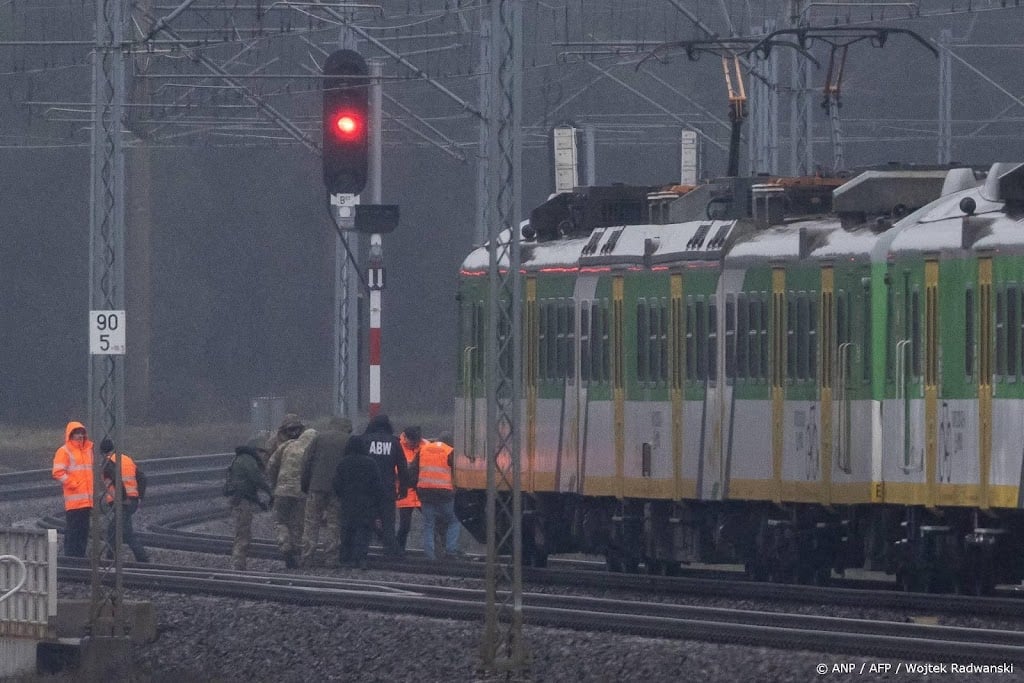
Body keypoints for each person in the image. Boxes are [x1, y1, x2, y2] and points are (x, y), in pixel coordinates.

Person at [300, 416, 352, 567]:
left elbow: (306, 462)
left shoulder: (318, 438)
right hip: (337, 490)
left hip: (316, 487)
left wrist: (305, 485)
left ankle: (307, 557)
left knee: (311, 523)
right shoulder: (348, 440)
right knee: (334, 524)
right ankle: (331, 557)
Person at [361, 414, 410, 557]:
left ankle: (362, 552)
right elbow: (402, 467)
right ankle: (391, 551)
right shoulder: (394, 442)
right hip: (387, 489)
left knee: (366, 520)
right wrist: (403, 488)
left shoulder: (365, 440)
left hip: (368, 489)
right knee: (388, 522)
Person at [267, 427, 317, 569]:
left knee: (280, 521)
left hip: (282, 491)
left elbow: (271, 465)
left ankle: (285, 544)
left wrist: (274, 483)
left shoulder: (287, 445)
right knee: (298, 523)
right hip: (301, 493)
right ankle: (295, 552)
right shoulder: (311, 451)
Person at [333, 434, 384, 569]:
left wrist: (341, 495)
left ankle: (346, 559)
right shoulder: (371, 463)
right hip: (366, 503)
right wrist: (376, 502)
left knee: (347, 530)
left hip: (348, 501)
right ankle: (361, 559)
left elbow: (336, 484)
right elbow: (377, 485)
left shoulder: (343, 463)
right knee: (363, 531)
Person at [225, 437, 273, 570]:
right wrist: (269, 491)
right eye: (262, 452)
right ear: (256, 450)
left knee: (242, 531)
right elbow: (256, 478)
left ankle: (239, 562)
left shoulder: (241, 458)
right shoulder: (248, 460)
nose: (264, 455)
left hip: (240, 499)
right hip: (242, 501)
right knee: (243, 532)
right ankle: (238, 563)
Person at [99, 438, 150, 563]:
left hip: (122, 502)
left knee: (120, 532)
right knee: (118, 530)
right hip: (131, 500)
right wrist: (139, 497)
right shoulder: (126, 459)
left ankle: (140, 558)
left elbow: (117, 480)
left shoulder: (107, 462)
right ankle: (112, 558)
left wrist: (123, 498)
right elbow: (142, 478)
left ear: (101, 452)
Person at [51, 421, 94, 558]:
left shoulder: (88, 450)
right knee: (73, 530)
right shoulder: (64, 451)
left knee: (83, 531)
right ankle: (71, 557)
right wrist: (73, 483)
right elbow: (57, 472)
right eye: (76, 433)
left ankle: (79, 557)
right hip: (74, 501)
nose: (79, 435)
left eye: (81, 432)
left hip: (87, 500)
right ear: (70, 434)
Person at [417, 432, 462, 560]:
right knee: (454, 521)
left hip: (425, 493)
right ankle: (451, 550)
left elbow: (414, 471)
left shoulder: (423, 450)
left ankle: (429, 555)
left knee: (428, 524)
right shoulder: (450, 451)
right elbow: (458, 472)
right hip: (444, 494)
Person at [396, 426, 425, 553]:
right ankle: (398, 550)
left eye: (416, 442)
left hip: (420, 492)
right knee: (404, 526)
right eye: (412, 441)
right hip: (405, 492)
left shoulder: (425, 446)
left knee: (434, 522)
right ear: (405, 438)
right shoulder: (397, 446)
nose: (414, 444)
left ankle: (436, 552)